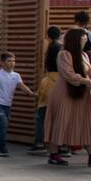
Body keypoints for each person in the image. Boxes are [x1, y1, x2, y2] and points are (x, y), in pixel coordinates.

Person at [43, 27, 91, 167]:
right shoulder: (64, 54)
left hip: (82, 94)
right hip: (65, 94)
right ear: (76, 39)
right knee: (61, 121)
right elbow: (68, 74)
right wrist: (90, 82)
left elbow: (89, 73)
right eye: (83, 37)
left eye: (85, 37)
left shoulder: (84, 55)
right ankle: (54, 153)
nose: (85, 39)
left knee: (85, 122)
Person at [0, 52, 34, 157]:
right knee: (3, 124)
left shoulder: (16, 75)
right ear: (2, 63)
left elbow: (22, 86)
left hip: (7, 104)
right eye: (9, 61)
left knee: (2, 126)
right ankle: (1, 149)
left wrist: (32, 94)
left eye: (13, 61)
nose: (12, 63)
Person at [30, 26, 63, 154]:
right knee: (59, 116)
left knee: (42, 115)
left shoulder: (51, 47)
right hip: (61, 82)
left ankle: (40, 143)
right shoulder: (62, 48)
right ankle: (62, 146)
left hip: (50, 81)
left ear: (48, 35)